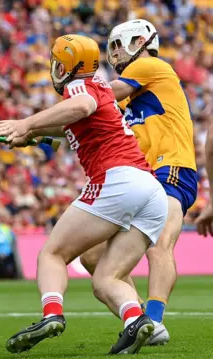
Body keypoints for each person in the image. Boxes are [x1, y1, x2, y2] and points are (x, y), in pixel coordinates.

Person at [0, 34, 168, 354]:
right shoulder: (102, 89)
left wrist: (26, 122)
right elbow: (73, 121)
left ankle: (51, 315)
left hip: (117, 179)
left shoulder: (80, 88)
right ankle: (136, 320)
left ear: (63, 66)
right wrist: (30, 132)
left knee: (52, 254)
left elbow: (81, 106)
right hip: (151, 191)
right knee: (105, 279)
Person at [78, 19, 197, 346]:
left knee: (160, 243)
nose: (114, 53)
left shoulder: (150, 64)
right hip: (139, 179)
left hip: (171, 168)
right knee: (90, 254)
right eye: (111, 47)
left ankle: (156, 321)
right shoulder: (126, 101)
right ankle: (140, 319)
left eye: (119, 44)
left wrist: (69, 101)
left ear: (141, 41)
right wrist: (38, 133)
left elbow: (97, 101)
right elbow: (91, 121)